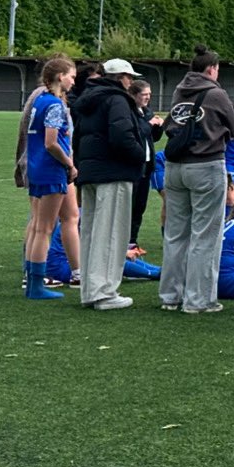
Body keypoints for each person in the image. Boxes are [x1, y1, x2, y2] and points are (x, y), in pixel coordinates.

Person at [159, 44, 234, 315]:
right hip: (206, 165)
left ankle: (170, 295)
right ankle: (198, 299)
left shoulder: (179, 91)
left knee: (175, 233)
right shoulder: (217, 94)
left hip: (175, 165)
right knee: (205, 236)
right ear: (212, 69)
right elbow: (233, 128)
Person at [72, 58, 147, 311]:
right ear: (122, 78)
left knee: (92, 232)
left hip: (90, 171)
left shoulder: (87, 99)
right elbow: (122, 136)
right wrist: (140, 156)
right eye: (129, 77)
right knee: (112, 232)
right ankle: (104, 292)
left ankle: (90, 289)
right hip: (114, 172)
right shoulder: (117, 99)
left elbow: (78, 136)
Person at [23, 56, 78, 300]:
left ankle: (32, 277)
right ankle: (36, 285)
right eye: (72, 76)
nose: (73, 82)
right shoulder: (54, 104)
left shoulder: (39, 101)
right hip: (51, 170)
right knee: (44, 229)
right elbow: (52, 142)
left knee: (37, 225)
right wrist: (69, 163)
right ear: (60, 77)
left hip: (35, 167)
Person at [45, 215, 161, 285]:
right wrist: (123, 252)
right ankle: (156, 274)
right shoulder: (79, 219)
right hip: (62, 267)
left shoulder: (80, 215)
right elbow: (94, 248)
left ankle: (159, 270)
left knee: (116, 259)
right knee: (112, 262)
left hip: (63, 264)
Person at [128, 78, 163, 255]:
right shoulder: (129, 113)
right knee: (130, 206)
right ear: (134, 95)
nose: (148, 98)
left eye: (149, 94)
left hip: (147, 166)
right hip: (133, 166)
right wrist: (149, 125)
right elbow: (137, 133)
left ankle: (133, 243)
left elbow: (152, 138)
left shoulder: (146, 111)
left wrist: (158, 127)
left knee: (140, 206)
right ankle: (126, 243)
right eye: (144, 94)